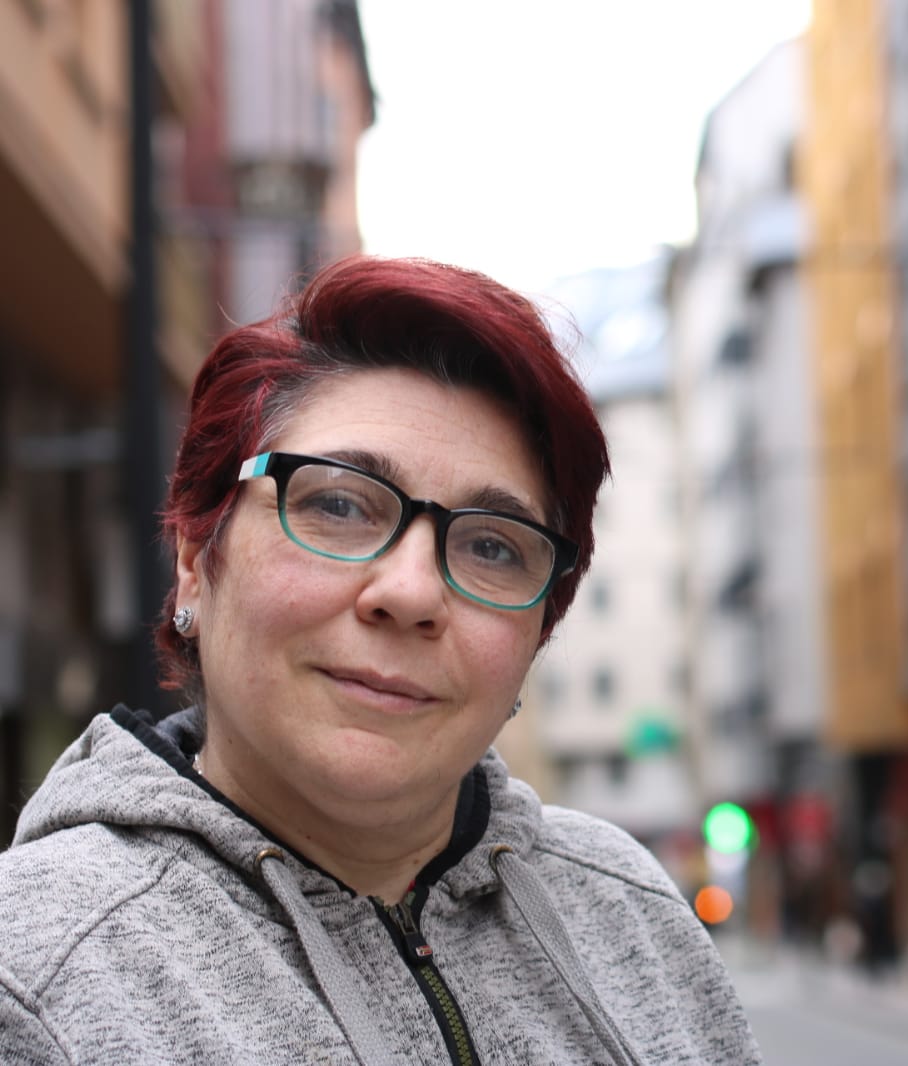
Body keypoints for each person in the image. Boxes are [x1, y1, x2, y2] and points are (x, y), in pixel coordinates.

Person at [0, 257, 762, 1065]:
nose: (411, 592)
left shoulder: (633, 915)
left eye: (492, 547)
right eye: (337, 504)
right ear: (195, 559)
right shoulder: (34, 975)